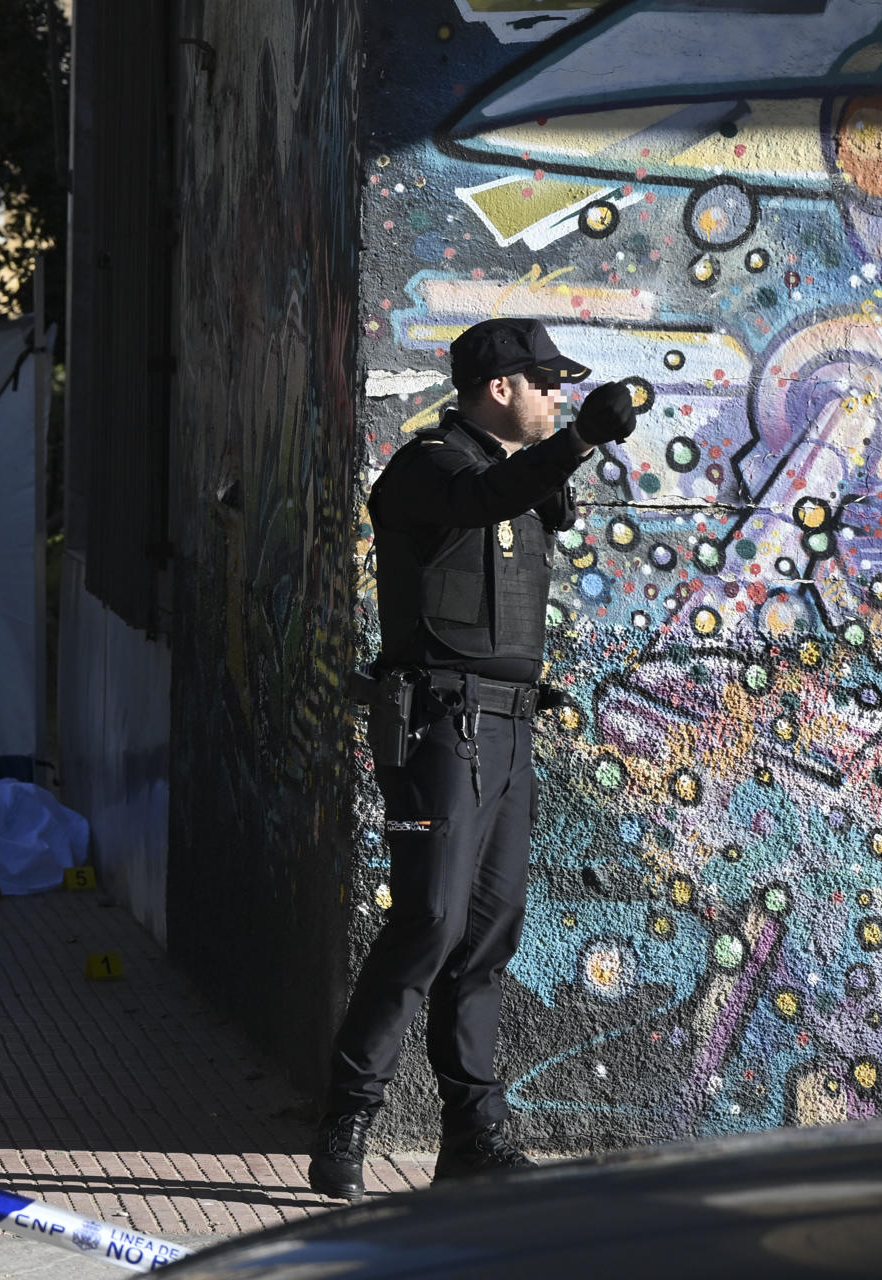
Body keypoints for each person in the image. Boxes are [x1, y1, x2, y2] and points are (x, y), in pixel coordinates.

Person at [307, 318, 637, 1201]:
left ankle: (473, 1134)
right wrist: (580, 437)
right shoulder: (430, 468)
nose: (557, 395)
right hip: (435, 738)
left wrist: (568, 453)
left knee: (488, 933)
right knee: (429, 918)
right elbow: (480, 502)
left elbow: (534, 498)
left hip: (508, 732)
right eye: (546, 383)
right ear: (501, 389)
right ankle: (348, 1113)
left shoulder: (514, 479)